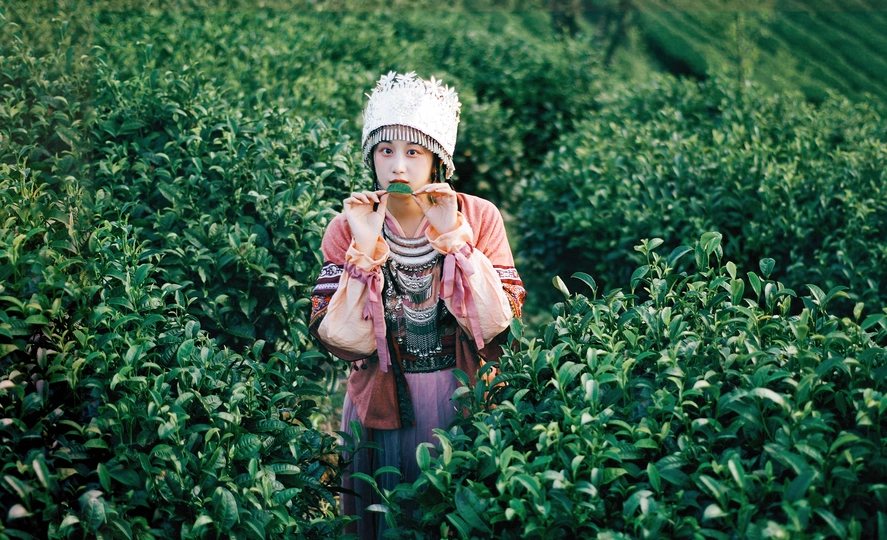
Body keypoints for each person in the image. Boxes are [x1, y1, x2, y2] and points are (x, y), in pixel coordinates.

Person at [309, 71, 526, 538]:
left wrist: (455, 241)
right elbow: (340, 338)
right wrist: (365, 248)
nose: (398, 167)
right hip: (383, 400)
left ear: (437, 161)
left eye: (413, 152)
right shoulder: (346, 226)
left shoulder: (478, 216)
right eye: (385, 151)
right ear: (371, 158)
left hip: (461, 396)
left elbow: (501, 323)